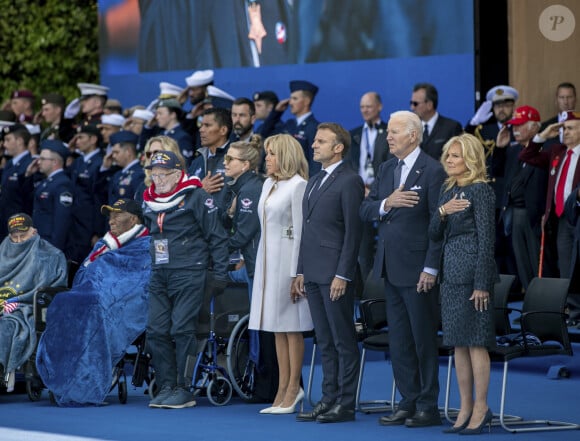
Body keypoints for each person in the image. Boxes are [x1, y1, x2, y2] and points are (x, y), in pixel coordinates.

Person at [360, 110, 445, 428]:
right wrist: (386, 204)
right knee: (399, 339)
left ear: (413, 134)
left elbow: (438, 224)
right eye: (388, 132)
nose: (388, 136)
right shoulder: (385, 169)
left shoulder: (432, 171)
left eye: (394, 131)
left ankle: (428, 404)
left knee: (422, 338)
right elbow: (365, 208)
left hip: (419, 268)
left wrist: (431, 267)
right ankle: (407, 400)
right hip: (389, 265)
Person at [36, 198, 150, 406]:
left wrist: (105, 293)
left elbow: (139, 283)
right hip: (90, 295)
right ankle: (63, 375)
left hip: (120, 301)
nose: (111, 220)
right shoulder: (103, 244)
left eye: (117, 215)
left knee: (93, 308)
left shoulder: (145, 245)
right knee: (63, 302)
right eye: (110, 215)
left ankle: (86, 381)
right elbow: (85, 275)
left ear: (133, 219)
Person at [142, 151, 229, 409]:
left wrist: (221, 274)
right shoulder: (149, 200)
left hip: (190, 270)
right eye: (153, 174)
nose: (157, 180)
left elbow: (217, 237)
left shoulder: (196, 196)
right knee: (156, 330)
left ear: (178, 174)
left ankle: (184, 386)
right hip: (160, 272)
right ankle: (167, 384)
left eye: (163, 174)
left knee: (181, 328)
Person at [294, 123, 364, 423]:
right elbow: (306, 230)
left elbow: (353, 232)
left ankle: (345, 403)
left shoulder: (350, 181)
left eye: (321, 141)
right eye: (315, 141)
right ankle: (328, 398)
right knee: (324, 339)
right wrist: (299, 271)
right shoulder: (314, 179)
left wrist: (343, 275)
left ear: (338, 147)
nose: (314, 145)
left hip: (335, 274)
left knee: (342, 340)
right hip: (313, 271)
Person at [428, 134, 496, 434]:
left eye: (455, 156)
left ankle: (481, 406)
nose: (449, 160)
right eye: (448, 155)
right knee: (458, 343)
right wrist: (442, 212)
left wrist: (482, 283)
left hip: (472, 275)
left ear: (470, 159)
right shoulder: (448, 190)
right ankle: (465, 405)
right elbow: (432, 233)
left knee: (476, 342)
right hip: (450, 274)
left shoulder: (481, 191)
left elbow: (487, 241)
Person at [249, 134, 313, 415]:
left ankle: (292, 388)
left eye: (272, 154)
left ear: (285, 156)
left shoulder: (299, 186)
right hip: (266, 259)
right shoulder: (268, 183)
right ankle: (281, 388)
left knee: (291, 326)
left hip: (287, 262)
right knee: (276, 327)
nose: (267, 158)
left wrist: (296, 271)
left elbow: (301, 232)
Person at [519, 110, 580, 324]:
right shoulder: (557, 151)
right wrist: (543, 135)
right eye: (562, 129)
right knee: (566, 265)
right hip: (562, 218)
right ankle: (573, 312)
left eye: (570, 128)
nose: (565, 132)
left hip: (579, 216)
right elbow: (527, 156)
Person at [0, 213, 67, 392]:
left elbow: (51, 288)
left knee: (8, 324)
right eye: (15, 237)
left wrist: (18, 301)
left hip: (29, 306)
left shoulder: (50, 255)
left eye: (24, 235)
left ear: (34, 232)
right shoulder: (2, 251)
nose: (20, 240)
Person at [495, 106, 548, 290]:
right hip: (514, 213)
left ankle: (543, 309)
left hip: (535, 215)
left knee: (538, 263)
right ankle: (530, 307)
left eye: (520, 125)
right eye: (514, 126)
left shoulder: (545, 149)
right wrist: (500, 149)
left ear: (535, 127)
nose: (515, 130)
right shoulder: (513, 150)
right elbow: (496, 172)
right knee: (522, 262)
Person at [350, 91, 390, 280]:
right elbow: (350, 165)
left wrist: (374, 190)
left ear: (379, 107)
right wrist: (360, 188)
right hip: (360, 195)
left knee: (386, 242)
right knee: (363, 246)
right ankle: (366, 286)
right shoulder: (354, 134)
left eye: (369, 106)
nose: (365, 110)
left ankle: (383, 284)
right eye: (362, 107)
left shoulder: (389, 132)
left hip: (383, 194)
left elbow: (390, 165)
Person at [222, 135, 264, 296]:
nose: (224, 162)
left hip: (256, 265)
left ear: (245, 165)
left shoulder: (251, 189)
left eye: (229, 158)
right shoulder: (239, 186)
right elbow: (227, 221)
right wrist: (230, 213)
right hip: (250, 263)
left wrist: (214, 251)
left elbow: (243, 234)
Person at [260, 80, 321, 176]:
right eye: (290, 99)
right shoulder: (289, 125)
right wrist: (276, 113)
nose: (290, 103)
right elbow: (263, 134)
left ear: (307, 101)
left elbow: (315, 162)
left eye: (295, 99)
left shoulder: (315, 127)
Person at [66, 125, 106, 263]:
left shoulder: (100, 162)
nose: (77, 141)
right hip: (74, 225)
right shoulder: (78, 161)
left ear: (93, 139)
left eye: (81, 137)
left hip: (89, 226)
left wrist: (97, 232)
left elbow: (99, 199)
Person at [27, 139, 74, 252]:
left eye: (43, 159)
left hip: (49, 244)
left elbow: (61, 221)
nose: (38, 162)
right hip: (40, 239)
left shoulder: (62, 183)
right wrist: (29, 175)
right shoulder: (47, 182)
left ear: (54, 162)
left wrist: (54, 250)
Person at [188, 107, 233, 210]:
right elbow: (185, 200)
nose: (201, 130)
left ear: (223, 130)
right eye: (201, 125)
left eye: (207, 125)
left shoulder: (236, 159)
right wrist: (201, 191)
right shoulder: (196, 162)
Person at [410, 83, 462, 160]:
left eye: (415, 104)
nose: (412, 107)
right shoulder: (411, 129)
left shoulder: (451, 127)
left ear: (429, 105)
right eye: (411, 103)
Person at [0, 124, 34, 241]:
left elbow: (28, 199)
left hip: (19, 228)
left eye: (8, 140)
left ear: (19, 141)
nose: (4, 144)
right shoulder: (9, 164)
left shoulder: (30, 164)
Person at [134, 135, 186, 203]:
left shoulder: (186, 184)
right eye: (149, 153)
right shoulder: (143, 187)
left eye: (156, 152)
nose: (152, 157)